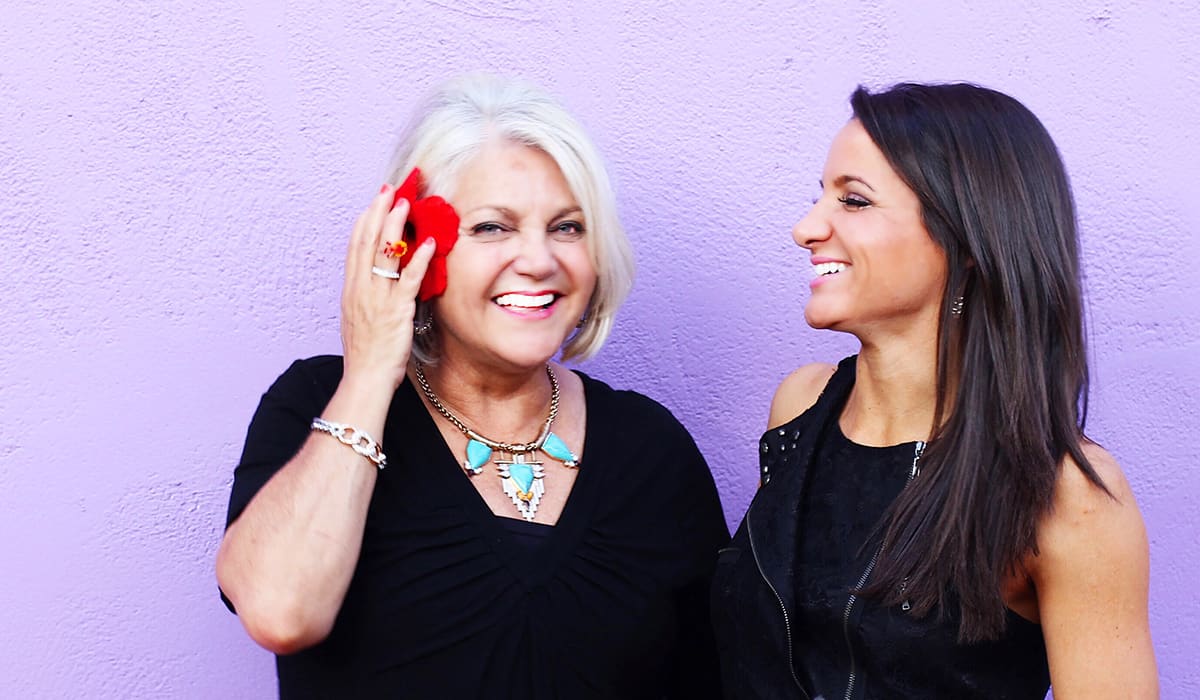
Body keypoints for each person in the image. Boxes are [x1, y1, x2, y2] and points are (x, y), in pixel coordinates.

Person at [215, 74, 729, 699]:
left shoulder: (652, 450)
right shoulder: (317, 400)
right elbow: (280, 612)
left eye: (567, 227)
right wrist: (371, 372)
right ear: (413, 247)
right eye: (492, 228)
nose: (539, 261)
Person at [711, 82, 1157, 699]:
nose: (806, 228)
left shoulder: (1066, 495)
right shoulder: (800, 407)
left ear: (968, 239)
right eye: (819, 198)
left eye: (854, 201)